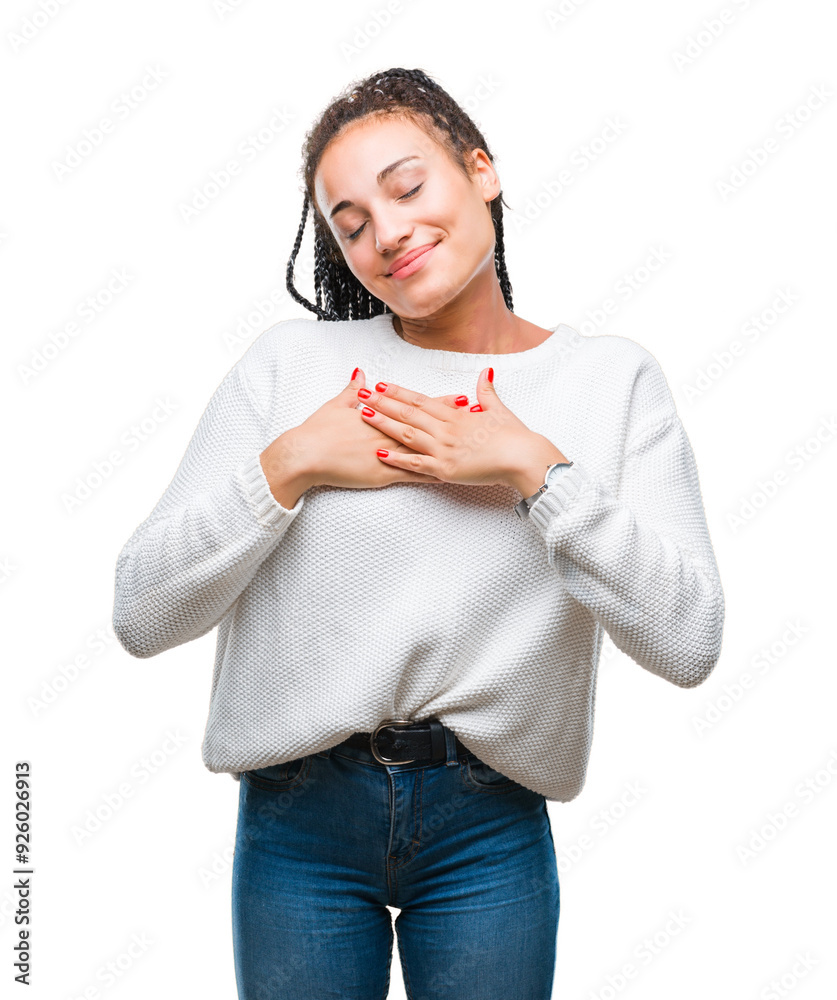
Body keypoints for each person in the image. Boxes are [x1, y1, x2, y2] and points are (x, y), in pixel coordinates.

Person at [112, 66, 725, 999]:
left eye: (406, 187)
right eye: (349, 223)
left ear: (480, 171)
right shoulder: (293, 368)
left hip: (489, 824)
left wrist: (533, 471)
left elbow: (689, 641)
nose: (386, 232)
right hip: (298, 820)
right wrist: (290, 466)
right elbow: (141, 612)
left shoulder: (611, 381)